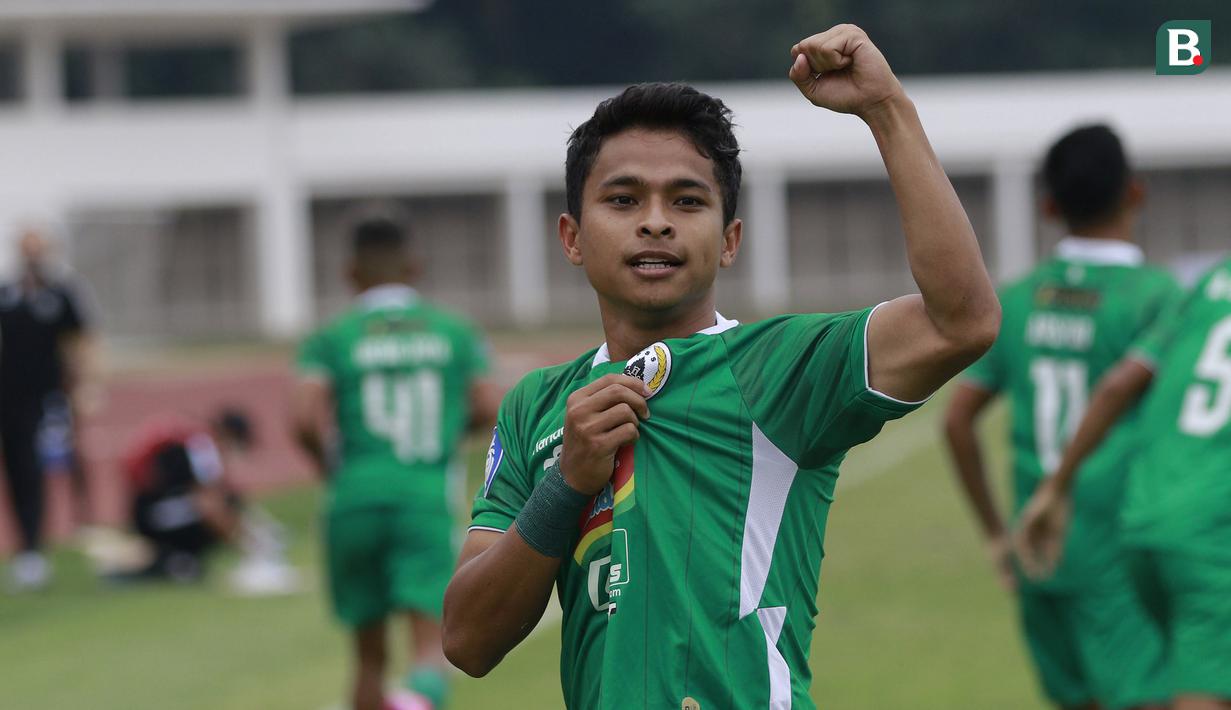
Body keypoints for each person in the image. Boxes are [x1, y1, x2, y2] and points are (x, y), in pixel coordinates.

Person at [443, 25, 1000, 709]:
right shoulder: (538, 405)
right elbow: (467, 640)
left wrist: (885, 109)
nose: (655, 223)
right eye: (622, 200)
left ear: (729, 240)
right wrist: (565, 483)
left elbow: (960, 322)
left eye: (687, 201)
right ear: (572, 238)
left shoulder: (776, 368)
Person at [943, 125, 1174, 710]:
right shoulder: (1157, 297)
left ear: (1048, 207)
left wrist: (997, 536)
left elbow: (956, 422)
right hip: (1120, 544)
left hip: (1036, 546)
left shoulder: (1019, 300)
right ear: (1136, 193)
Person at [291, 215, 500, 710]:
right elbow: (490, 405)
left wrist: (330, 466)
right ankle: (415, 702)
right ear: (414, 266)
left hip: (353, 498)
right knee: (431, 650)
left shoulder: (332, 336)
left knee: (367, 659)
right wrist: (447, 433)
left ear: (349, 273)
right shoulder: (453, 331)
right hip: (421, 496)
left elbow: (303, 419)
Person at [1017, 262, 1231, 709]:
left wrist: (1056, 486)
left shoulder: (1211, 281)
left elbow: (1119, 383)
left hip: (1145, 521)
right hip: (1213, 533)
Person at [0, 226, 100, 591]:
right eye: (26, 250)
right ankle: (29, 547)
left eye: (37, 250)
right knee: (21, 470)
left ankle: (82, 526)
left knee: (62, 463)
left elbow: (82, 339)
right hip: (10, 399)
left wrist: (87, 384)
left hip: (51, 398)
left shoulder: (62, 294)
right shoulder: (7, 294)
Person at [117, 408, 254, 582]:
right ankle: (176, 560)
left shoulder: (193, 441)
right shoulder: (202, 446)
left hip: (151, 513)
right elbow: (209, 505)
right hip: (155, 518)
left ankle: (178, 559)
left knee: (225, 505)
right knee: (225, 506)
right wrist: (248, 546)